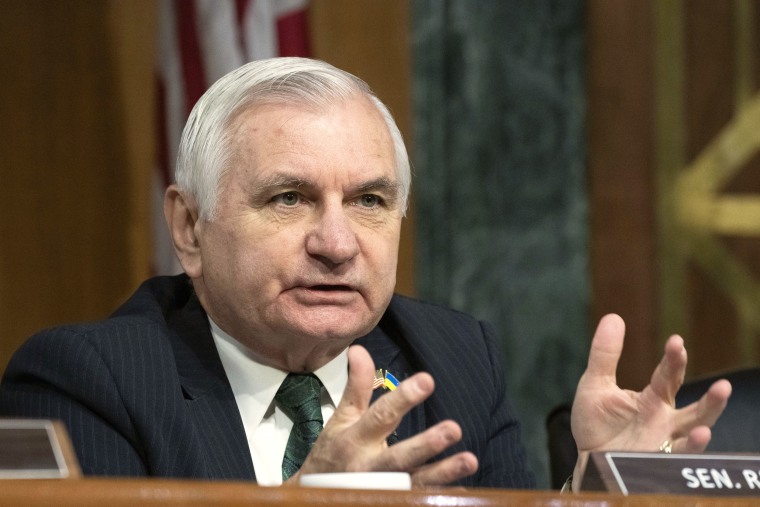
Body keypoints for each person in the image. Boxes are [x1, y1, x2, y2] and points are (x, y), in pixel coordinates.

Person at [0, 58, 731, 491]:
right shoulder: (90, 380)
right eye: (289, 198)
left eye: (370, 201)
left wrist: (598, 489)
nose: (337, 242)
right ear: (190, 228)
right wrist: (303, 504)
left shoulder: (449, 357)